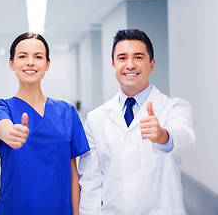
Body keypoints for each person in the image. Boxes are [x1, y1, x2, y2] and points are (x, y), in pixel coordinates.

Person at [78, 29, 196, 215]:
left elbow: (186, 139)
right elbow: (91, 180)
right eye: (122, 58)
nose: (130, 65)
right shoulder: (96, 118)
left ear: (152, 64)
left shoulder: (173, 108)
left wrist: (163, 136)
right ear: (113, 64)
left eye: (138, 57)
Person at [0, 32, 90, 215]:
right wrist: (9, 132)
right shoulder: (3, 107)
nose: (30, 62)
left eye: (38, 57)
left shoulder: (66, 112)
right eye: (22, 56)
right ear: (11, 63)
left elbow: (74, 175)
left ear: (48, 64)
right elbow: (2, 126)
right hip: (15, 209)